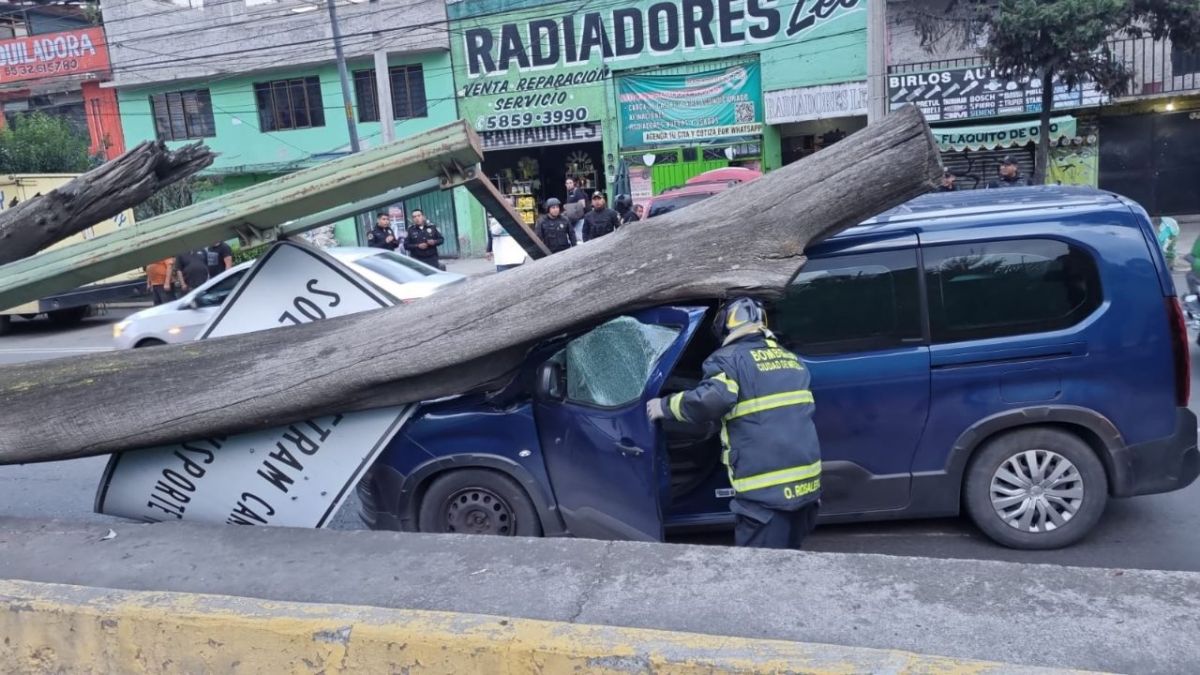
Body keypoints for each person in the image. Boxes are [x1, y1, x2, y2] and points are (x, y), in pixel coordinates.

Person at [646, 297, 822, 549]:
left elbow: (710, 401)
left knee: (758, 572)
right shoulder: (791, 360)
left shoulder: (727, 359)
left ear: (725, 326)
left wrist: (663, 406)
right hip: (807, 488)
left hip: (765, 495)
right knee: (789, 562)